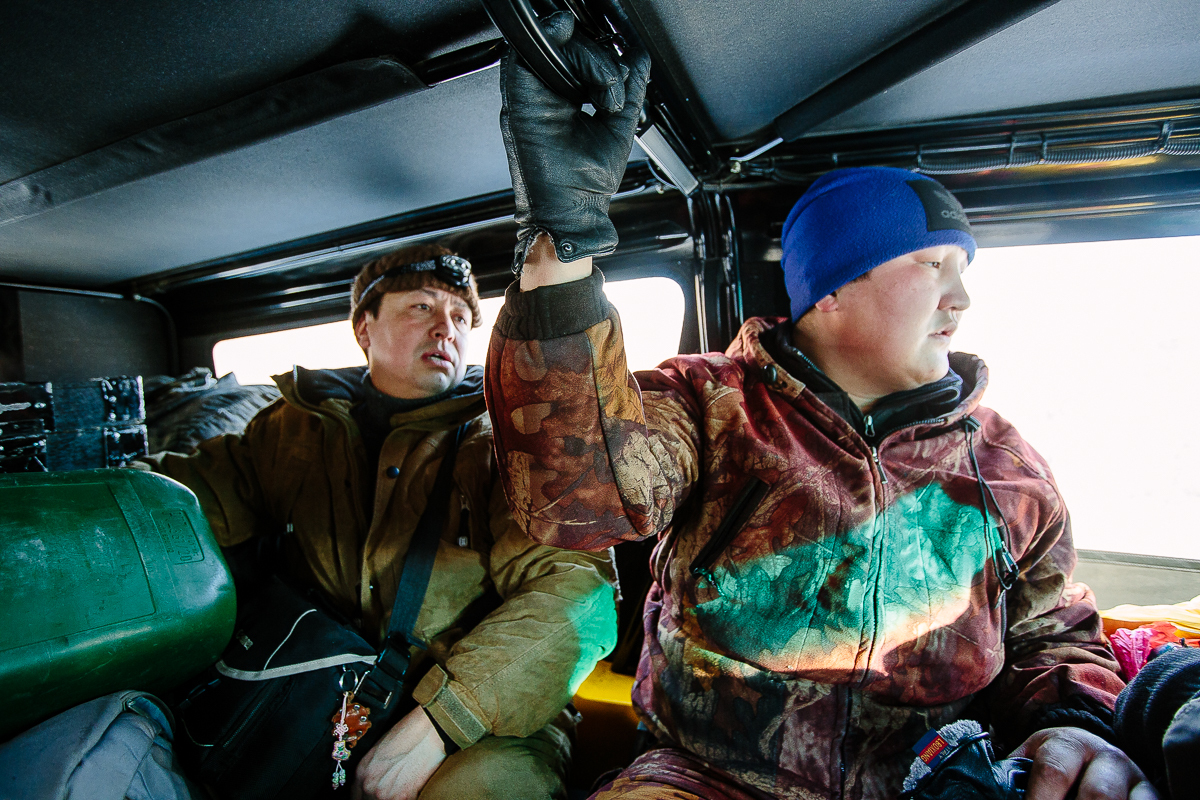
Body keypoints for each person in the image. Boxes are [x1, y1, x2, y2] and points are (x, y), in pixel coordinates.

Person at [484, 14, 1154, 800]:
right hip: (707, 778)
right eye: (932, 263)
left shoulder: (1006, 464)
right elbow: (572, 498)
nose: (962, 297)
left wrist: (1076, 723)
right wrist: (562, 247)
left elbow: (1051, 634)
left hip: (929, 785)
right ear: (832, 288)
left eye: (963, 268)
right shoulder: (712, 404)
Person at [147, 244, 618, 800]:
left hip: (479, 708)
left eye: (462, 317)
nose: (447, 328)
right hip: (319, 686)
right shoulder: (292, 431)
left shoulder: (509, 445)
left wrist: (443, 720)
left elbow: (580, 596)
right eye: (421, 306)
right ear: (364, 328)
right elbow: (180, 504)